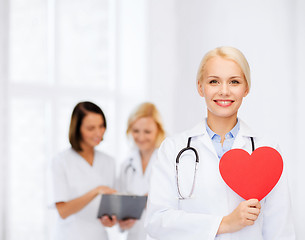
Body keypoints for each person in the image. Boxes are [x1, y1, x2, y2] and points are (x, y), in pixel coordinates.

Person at [145, 46, 295, 239]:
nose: (224, 91)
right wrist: (224, 223)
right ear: (200, 87)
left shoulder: (267, 150)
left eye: (234, 82)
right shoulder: (173, 149)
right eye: (214, 81)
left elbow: (281, 229)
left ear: (246, 88)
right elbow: (157, 221)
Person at [47, 101, 117, 240]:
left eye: (101, 126)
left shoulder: (109, 161)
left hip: (99, 235)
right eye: (91, 128)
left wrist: (110, 220)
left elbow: (109, 207)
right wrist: (96, 191)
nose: (99, 132)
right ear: (77, 129)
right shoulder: (61, 161)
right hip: (70, 235)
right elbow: (63, 211)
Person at [117, 102, 166, 240]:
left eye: (147, 132)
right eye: (136, 131)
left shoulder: (168, 160)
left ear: (158, 130)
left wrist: (151, 199)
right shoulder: (126, 165)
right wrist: (122, 221)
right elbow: (121, 208)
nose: (141, 137)